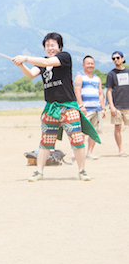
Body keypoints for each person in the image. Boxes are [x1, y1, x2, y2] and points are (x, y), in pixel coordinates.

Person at [12, 32, 100, 182]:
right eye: (47, 45)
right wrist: (22, 65)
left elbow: (47, 63)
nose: (49, 48)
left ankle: (82, 170)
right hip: (51, 108)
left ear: (59, 46)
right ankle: (39, 171)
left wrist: (25, 57)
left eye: (52, 45)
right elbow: (30, 74)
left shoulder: (65, 57)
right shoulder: (41, 62)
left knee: (77, 140)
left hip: (68, 106)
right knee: (45, 141)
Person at [74, 56, 106, 159]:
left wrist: (103, 108)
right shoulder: (80, 76)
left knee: (94, 132)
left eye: (92, 63)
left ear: (94, 65)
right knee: (81, 132)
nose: (90, 65)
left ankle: (89, 153)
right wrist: (81, 106)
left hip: (96, 109)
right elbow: (77, 92)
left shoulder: (97, 78)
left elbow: (101, 94)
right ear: (83, 65)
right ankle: (78, 153)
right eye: (88, 63)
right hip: (85, 109)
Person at [106, 51, 129, 157]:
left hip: (127, 104)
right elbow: (109, 90)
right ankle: (121, 150)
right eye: (113, 58)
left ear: (123, 59)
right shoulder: (111, 74)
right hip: (117, 105)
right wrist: (112, 106)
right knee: (118, 127)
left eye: (117, 58)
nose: (116, 60)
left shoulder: (128, 72)